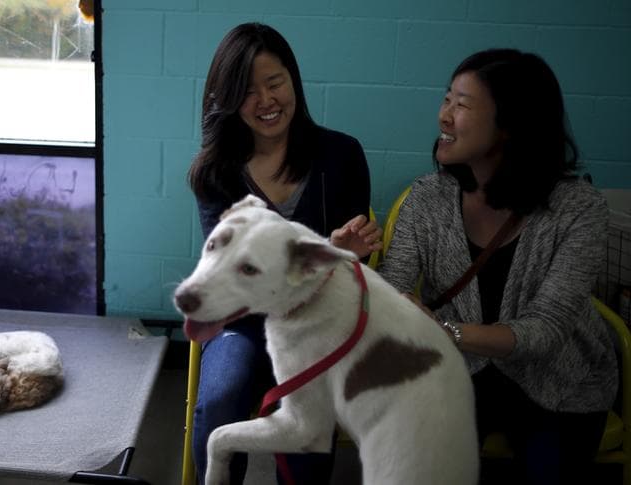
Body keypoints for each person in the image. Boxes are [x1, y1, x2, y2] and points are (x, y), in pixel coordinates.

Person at [379, 48, 618, 484]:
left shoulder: (578, 209)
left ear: (510, 126)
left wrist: (444, 331)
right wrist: (357, 267)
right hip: (459, 375)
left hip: (560, 383)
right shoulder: (427, 197)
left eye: (462, 105)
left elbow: (544, 333)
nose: (444, 117)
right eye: (446, 99)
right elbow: (390, 289)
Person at [187, 22, 381, 485]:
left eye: (275, 83)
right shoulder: (215, 173)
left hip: (317, 324)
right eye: (248, 91)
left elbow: (357, 267)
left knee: (308, 423)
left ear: (293, 80)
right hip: (245, 324)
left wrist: (344, 255)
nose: (267, 100)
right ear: (229, 100)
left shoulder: (342, 155)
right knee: (220, 399)